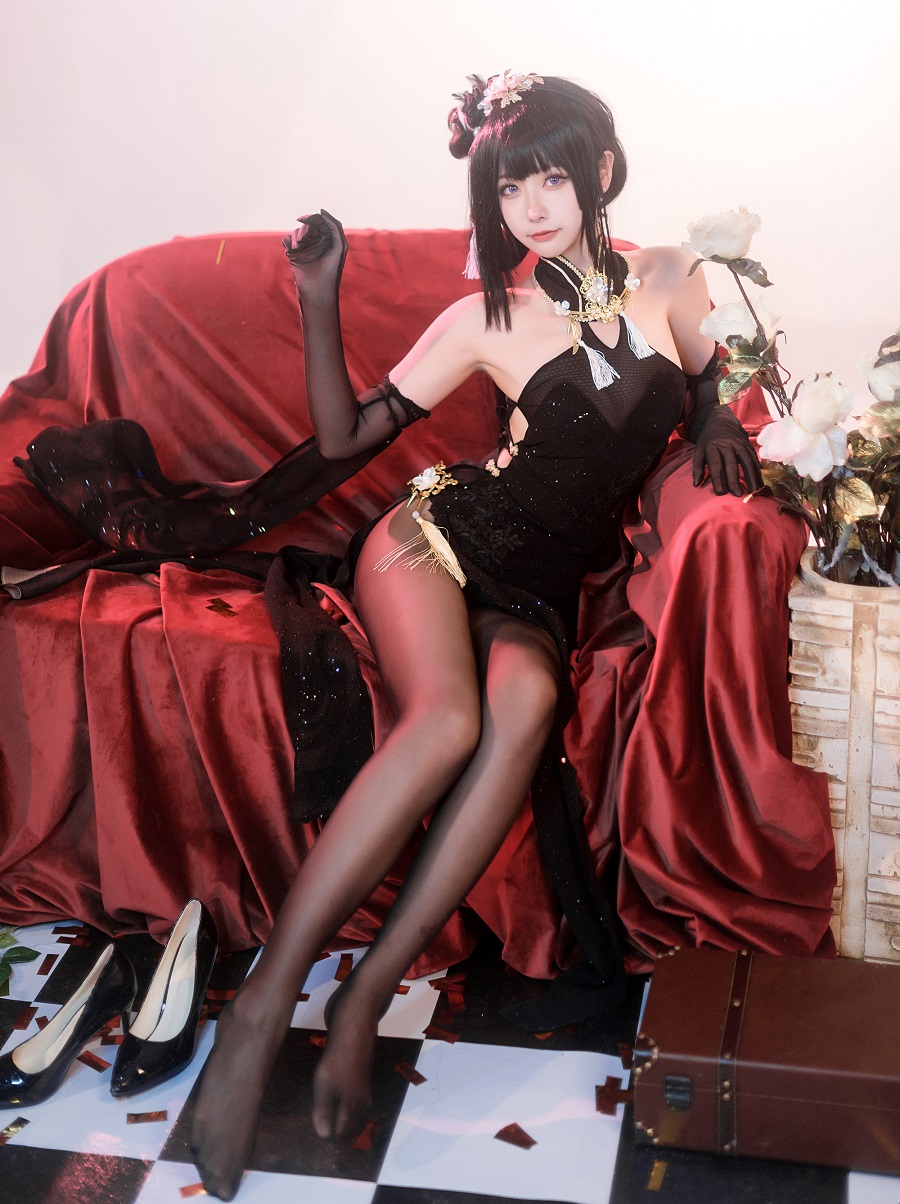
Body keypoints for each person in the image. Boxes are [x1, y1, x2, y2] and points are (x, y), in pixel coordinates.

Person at [182, 71, 764, 1199]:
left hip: (534, 591)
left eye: (552, 178)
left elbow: (716, 370)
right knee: (447, 721)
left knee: (529, 704)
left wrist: (713, 423)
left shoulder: (671, 276)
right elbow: (345, 439)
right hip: (434, 539)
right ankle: (263, 1009)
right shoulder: (485, 318)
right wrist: (319, 295)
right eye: (509, 187)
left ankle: (364, 1000)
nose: (533, 207)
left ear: (601, 171)